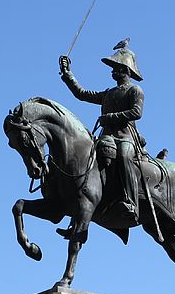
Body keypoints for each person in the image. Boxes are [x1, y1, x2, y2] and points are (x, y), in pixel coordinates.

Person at [59, 40, 145, 223]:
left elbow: (136, 113)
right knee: (85, 158)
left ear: (127, 70)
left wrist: (110, 117)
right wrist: (68, 74)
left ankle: (130, 202)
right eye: (114, 67)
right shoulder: (108, 93)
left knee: (123, 156)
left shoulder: (135, 90)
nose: (114, 71)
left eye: (118, 67)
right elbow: (81, 94)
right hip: (106, 137)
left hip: (126, 137)